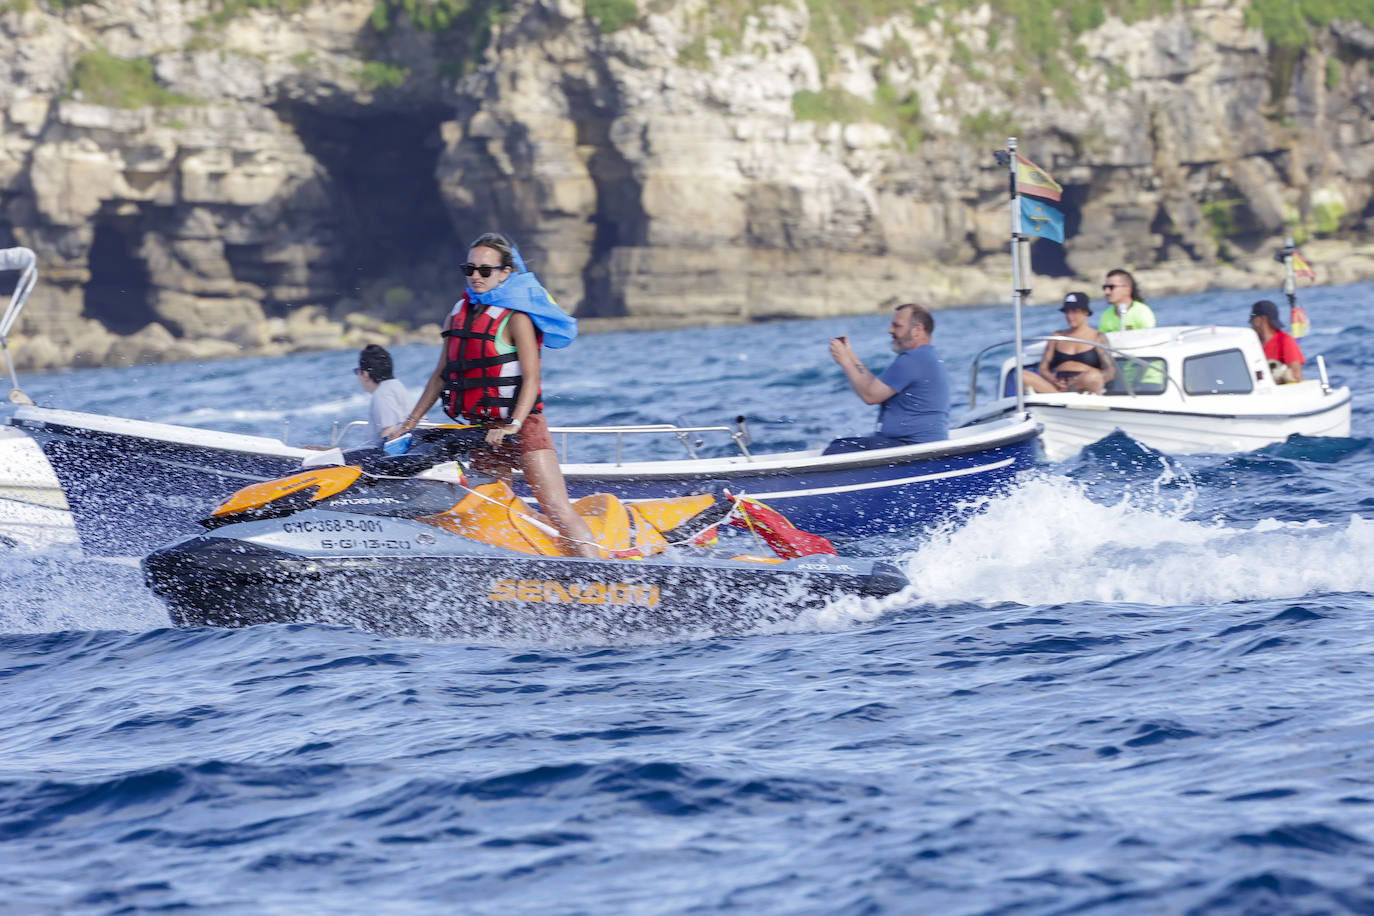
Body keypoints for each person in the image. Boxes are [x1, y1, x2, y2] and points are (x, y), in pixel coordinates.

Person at [384, 232, 600, 559]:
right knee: (495, 512)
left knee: (556, 507)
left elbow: (531, 377)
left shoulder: (517, 318)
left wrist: (513, 425)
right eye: (469, 269)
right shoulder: (457, 315)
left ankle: (601, 576)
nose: (475, 276)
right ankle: (519, 576)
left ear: (505, 273)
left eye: (485, 270)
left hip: (522, 427)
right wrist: (409, 422)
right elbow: (441, 375)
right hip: (483, 433)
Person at [824, 303, 950, 454]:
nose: (890, 330)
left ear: (917, 330)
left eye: (897, 326)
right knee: (841, 444)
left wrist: (845, 361)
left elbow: (870, 396)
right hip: (912, 445)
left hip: (912, 448)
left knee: (836, 449)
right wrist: (850, 355)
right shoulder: (925, 356)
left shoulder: (913, 359)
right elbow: (874, 386)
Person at [1022, 292, 1116, 395]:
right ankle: (1058, 397)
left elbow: (1110, 370)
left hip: (1083, 385)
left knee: (1094, 376)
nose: (1070, 316)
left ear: (1085, 312)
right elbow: (1043, 368)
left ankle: (1071, 393)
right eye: (1067, 312)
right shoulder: (1057, 336)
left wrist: (1076, 382)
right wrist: (1053, 380)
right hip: (1056, 387)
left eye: (1075, 311)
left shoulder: (1098, 337)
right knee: (1022, 375)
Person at [356, 344, 411, 448]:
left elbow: (390, 434)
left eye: (357, 372)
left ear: (365, 374)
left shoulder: (382, 395)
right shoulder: (397, 385)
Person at [1249, 299, 1304, 383]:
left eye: (1252, 317)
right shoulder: (1253, 343)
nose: (1249, 321)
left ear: (1262, 319)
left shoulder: (1285, 340)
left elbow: (1297, 376)